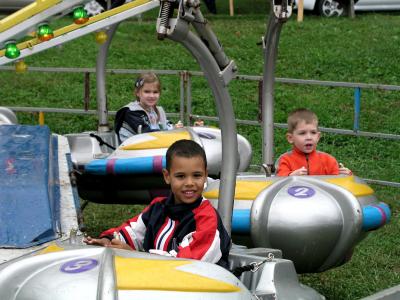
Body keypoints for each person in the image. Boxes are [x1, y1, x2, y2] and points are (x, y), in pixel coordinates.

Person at [84, 139, 231, 268]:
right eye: (180, 176)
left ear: (206, 175)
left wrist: (134, 256)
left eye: (197, 176)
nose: (189, 183)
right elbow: (132, 232)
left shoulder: (206, 218)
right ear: (167, 176)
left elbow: (187, 264)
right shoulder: (158, 207)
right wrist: (108, 240)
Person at [276, 108, 352, 176]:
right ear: (290, 138)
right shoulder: (285, 160)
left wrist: (346, 175)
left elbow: (339, 184)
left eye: (313, 132)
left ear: (318, 137)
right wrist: (290, 176)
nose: (309, 137)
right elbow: (278, 181)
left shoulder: (328, 160)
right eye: (302, 133)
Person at [114, 72, 179, 144]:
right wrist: (170, 133)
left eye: (155, 92)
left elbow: (165, 126)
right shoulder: (131, 112)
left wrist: (175, 128)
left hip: (150, 147)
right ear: (137, 93)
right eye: (147, 92)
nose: (151, 95)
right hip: (132, 151)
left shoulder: (157, 111)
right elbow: (147, 134)